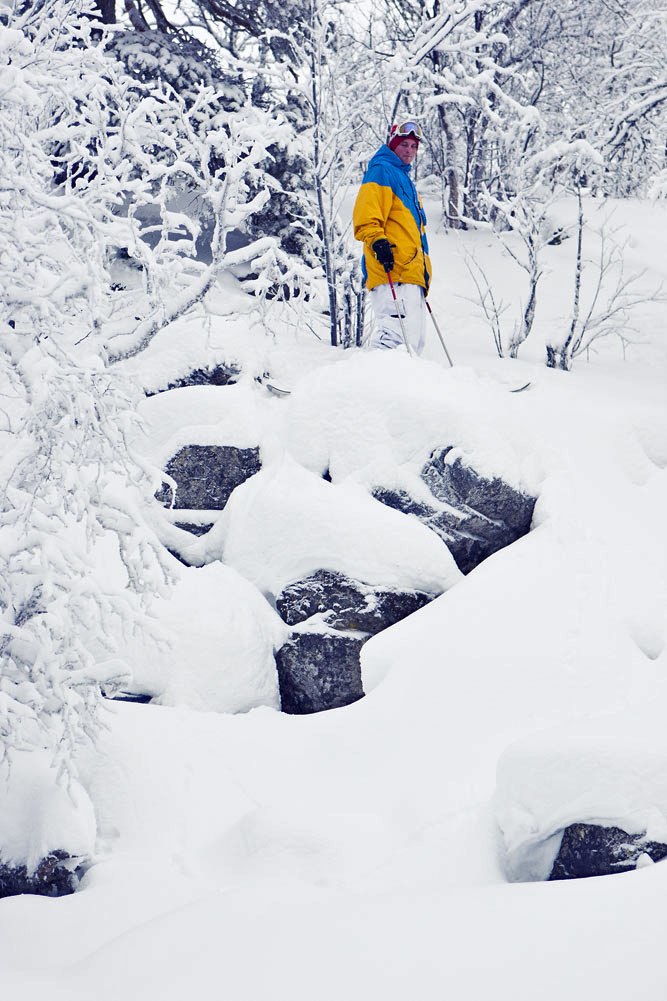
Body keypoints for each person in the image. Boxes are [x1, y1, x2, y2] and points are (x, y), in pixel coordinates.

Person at [353, 121, 432, 355]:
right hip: (392, 268)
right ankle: (360, 388)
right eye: (404, 144)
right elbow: (366, 216)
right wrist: (379, 242)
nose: (409, 150)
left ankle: (403, 390)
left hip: (412, 273)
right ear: (393, 144)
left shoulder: (405, 179)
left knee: (413, 343)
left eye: (413, 146)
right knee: (393, 339)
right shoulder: (382, 171)